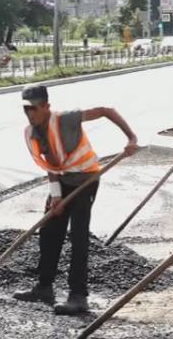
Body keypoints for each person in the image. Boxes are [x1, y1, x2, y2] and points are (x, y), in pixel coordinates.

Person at [14, 85, 139, 315]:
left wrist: (131, 138)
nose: (30, 114)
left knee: (79, 236)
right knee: (49, 232)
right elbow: (49, 164)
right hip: (62, 180)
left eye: (33, 109)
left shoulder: (66, 119)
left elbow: (106, 110)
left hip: (86, 179)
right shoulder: (31, 132)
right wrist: (56, 196)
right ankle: (44, 287)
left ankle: (78, 296)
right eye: (26, 110)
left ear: (46, 107)